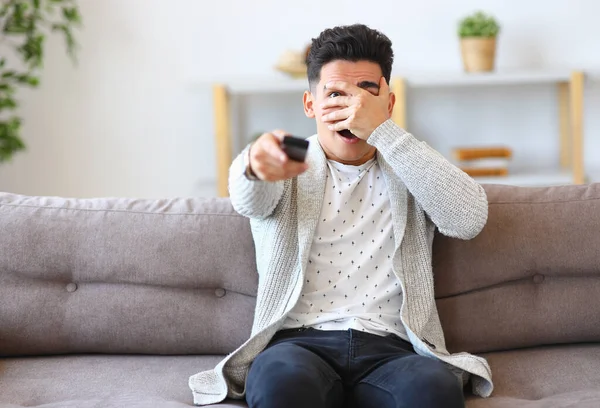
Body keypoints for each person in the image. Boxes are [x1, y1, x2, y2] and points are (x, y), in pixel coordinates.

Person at [189, 23, 494, 408]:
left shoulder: (409, 164)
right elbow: (251, 198)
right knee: (283, 386)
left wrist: (383, 131)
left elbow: (469, 219)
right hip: (298, 344)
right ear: (310, 104)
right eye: (335, 94)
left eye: (367, 92)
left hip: (394, 349)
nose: (352, 108)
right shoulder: (293, 158)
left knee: (434, 389)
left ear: (389, 102)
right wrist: (253, 163)